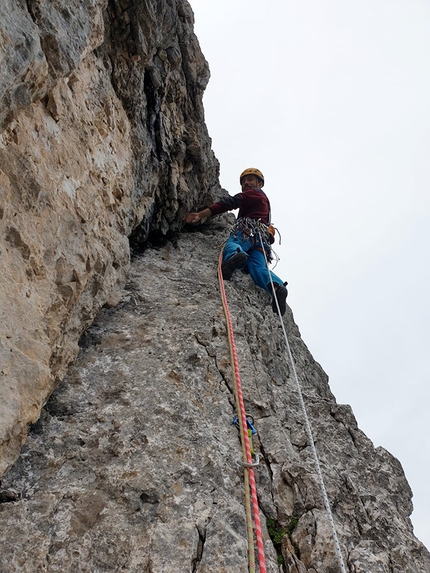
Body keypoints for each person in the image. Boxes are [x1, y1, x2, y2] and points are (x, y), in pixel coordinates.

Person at [185, 168, 288, 316]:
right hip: (261, 241)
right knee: (257, 268)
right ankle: (277, 287)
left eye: (250, 179)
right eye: (244, 181)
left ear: (260, 183)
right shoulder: (264, 201)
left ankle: (234, 257)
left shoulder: (253, 194)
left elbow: (230, 203)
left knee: (234, 244)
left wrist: (201, 215)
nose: (246, 183)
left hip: (248, 230)